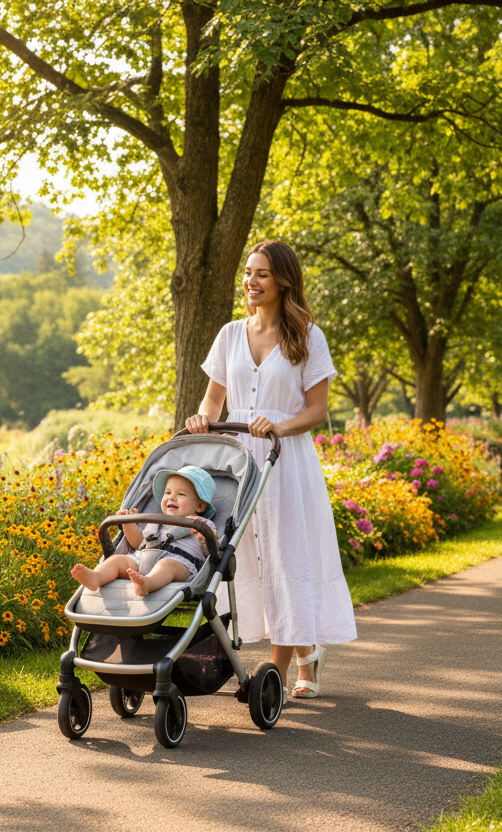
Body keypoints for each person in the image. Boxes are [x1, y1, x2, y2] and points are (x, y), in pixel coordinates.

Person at [187, 239, 357, 700]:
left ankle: (279, 670)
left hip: (285, 463)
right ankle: (306, 652)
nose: (251, 282)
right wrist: (203, 417)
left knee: (286, 560)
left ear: (282, 281)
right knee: (245, 559)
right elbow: (214, 398)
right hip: (238, 466)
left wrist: (278, 425)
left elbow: (317, 410)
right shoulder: (228, 335)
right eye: (248, 272)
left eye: (261, 274)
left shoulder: (307, 337)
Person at [71, 466, 217, 598]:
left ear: (200, 506)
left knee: (166, 565)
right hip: (144, 557)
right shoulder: (156, 521)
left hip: (181, 563)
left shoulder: (202, 524)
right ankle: (96, 577)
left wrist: (205, 540)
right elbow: (138, 543)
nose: (171, 497)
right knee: (118, 560)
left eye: (181, 494)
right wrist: (128, 524)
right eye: (168, 492)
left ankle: (147, 583)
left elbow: (211, 553)